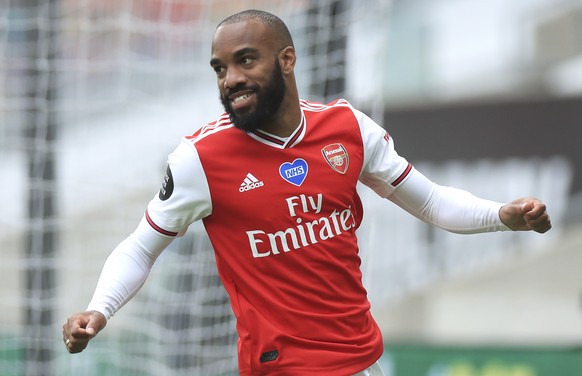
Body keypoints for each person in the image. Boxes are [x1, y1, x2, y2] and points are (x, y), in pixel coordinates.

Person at [62, 9, 552, 376]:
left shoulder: (348, 129)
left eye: (245, 61)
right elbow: (142, 246)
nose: (231, 79)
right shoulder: (198, 159)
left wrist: (502, 215)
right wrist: (99, 308)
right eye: (220, 68)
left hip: (365, 359)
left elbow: (430, 201)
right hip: (282, 368)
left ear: (287, 59)